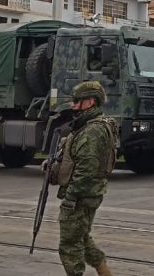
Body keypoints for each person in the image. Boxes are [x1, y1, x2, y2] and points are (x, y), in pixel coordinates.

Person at [50, 81, 117, 276]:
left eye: (77, 101)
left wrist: (70, 198)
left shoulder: (92, 131)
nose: (73, 105)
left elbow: (86, 170)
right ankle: (104, 272)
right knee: (82, 237)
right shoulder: (87, 126)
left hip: (81, 196)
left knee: (70, 245)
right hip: (88, 194)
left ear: (90, 102)